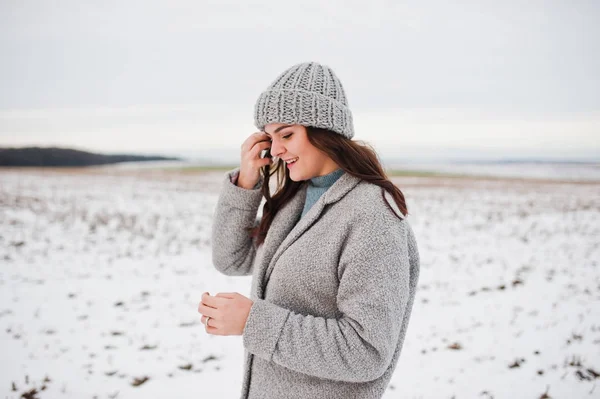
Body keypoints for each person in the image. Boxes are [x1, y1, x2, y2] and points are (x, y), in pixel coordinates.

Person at [198, 61, 420, 399]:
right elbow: (231, 259)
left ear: (325, 133)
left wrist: (253, 322)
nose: (275, 150)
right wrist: (246, 182)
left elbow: (367, 351)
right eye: (269, 138)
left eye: (286, 134)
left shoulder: (373, 215)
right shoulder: (296, 201)